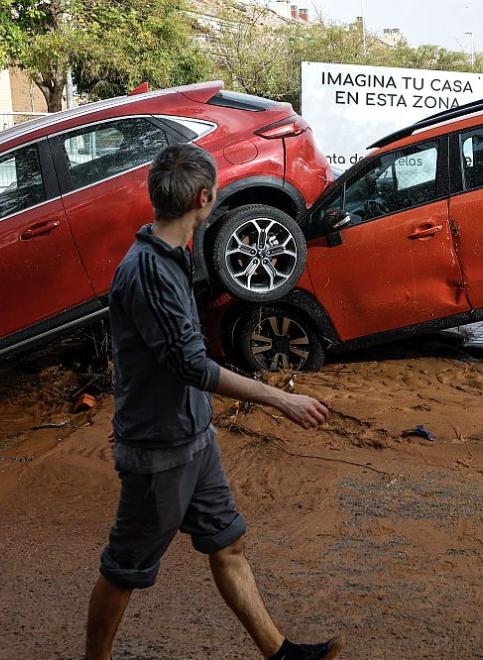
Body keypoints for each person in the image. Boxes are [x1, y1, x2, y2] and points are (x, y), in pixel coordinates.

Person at [85, 144, 344, 660]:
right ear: (204, 197)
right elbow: (191, 367)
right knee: (125, 569)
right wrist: (278, 399)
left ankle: (280, 653)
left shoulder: (172, 255)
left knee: (227, 543)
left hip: (193, 439)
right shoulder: (149, 272)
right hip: (161, 450)